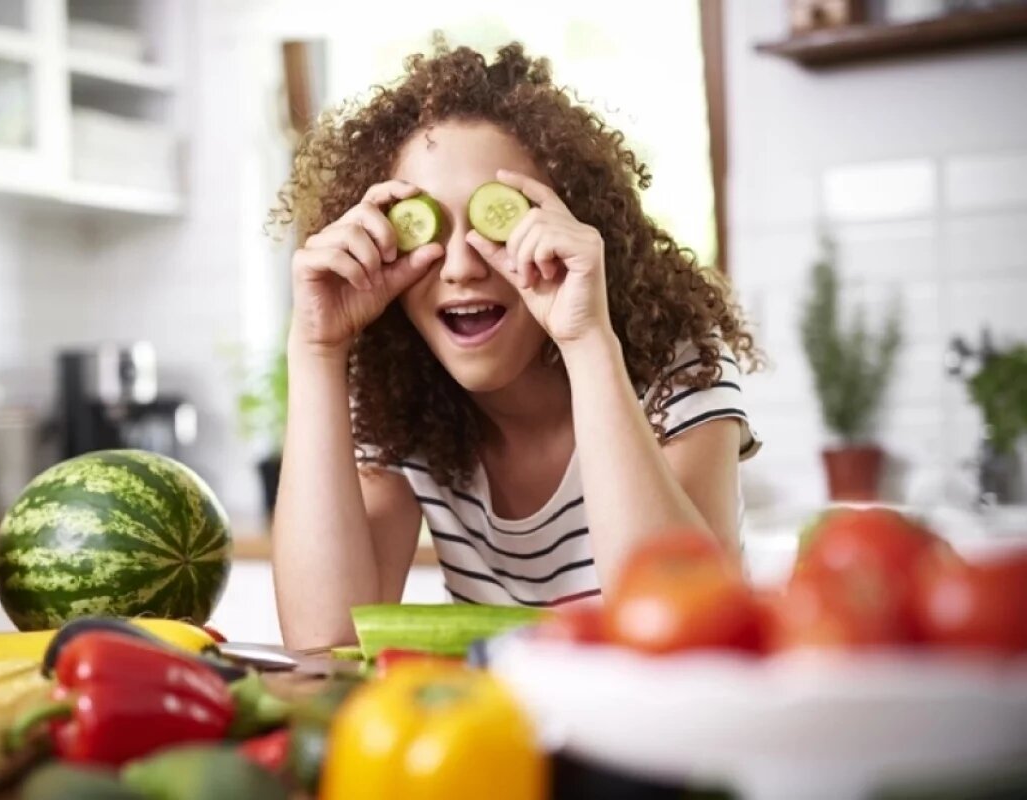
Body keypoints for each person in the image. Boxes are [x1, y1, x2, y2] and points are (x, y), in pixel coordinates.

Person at [269, 40, 761, 649]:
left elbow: (684, 622)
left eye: (496, 221)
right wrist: (315, 350)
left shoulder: (676, 369)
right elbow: (325, 636)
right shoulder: (400, 405)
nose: (459, 266)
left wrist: (586, 341)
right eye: (424, 227)